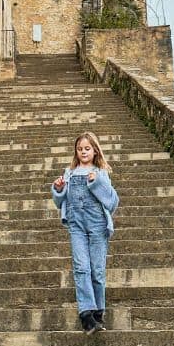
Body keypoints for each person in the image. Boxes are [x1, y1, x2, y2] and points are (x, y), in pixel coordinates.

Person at [51, 131, 119, 335]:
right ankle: (86, 314)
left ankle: (98, 312)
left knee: (97, 269)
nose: (83, 152)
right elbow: (59, 202)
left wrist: (96, 182)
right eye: (79, 149)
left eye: (87, 148)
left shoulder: (101, 172)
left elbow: (113, 201)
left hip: (97, 222)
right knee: (81, 267)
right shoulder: (69, 172)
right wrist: (58, 188)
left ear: (95, 150)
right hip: (76, 223)